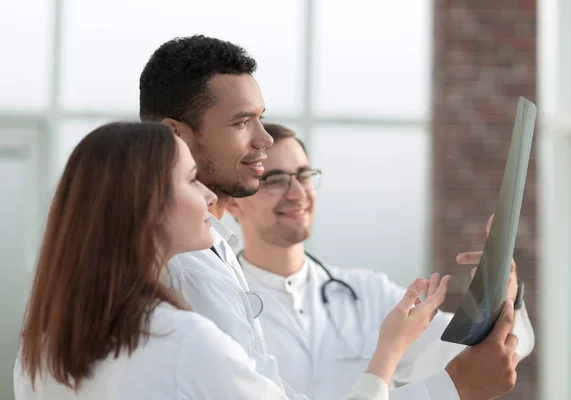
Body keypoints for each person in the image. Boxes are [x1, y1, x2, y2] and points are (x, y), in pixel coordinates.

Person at [139, 35, 523, 399]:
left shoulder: (215, 257)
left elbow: (470, 351)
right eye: (242, 122)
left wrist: (497, 302)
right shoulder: (183, 269)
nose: (264, 140)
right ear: (175, 135)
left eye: (304, 176)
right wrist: (440, 380)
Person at [12, 121, 450, 400]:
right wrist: (389, 351)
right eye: (191, 180)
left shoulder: (43, 350)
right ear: (147, 206)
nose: (209, 195)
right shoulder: (184, 341)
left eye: (303, 176)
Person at [226, 122, 536, 400]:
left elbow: (475, 359)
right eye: (275, 180)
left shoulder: (367, 293)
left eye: (304, 176)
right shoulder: (224, 303)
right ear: (234, 203)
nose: (297, 193)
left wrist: (499, 297)